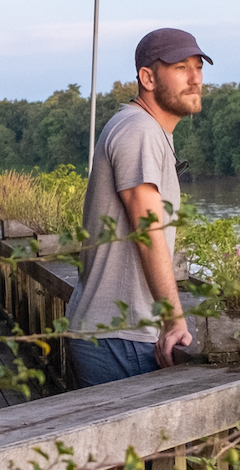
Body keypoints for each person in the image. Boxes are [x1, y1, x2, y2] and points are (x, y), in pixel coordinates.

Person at [64, 27, 209, 387]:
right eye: (180, 68)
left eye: (198, 67)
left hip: (118, 333)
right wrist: (174, 320)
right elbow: (148, 228)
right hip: (119, 338)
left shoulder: (145, 130)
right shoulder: (138, 130)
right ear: (147, 77)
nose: (195, 79)